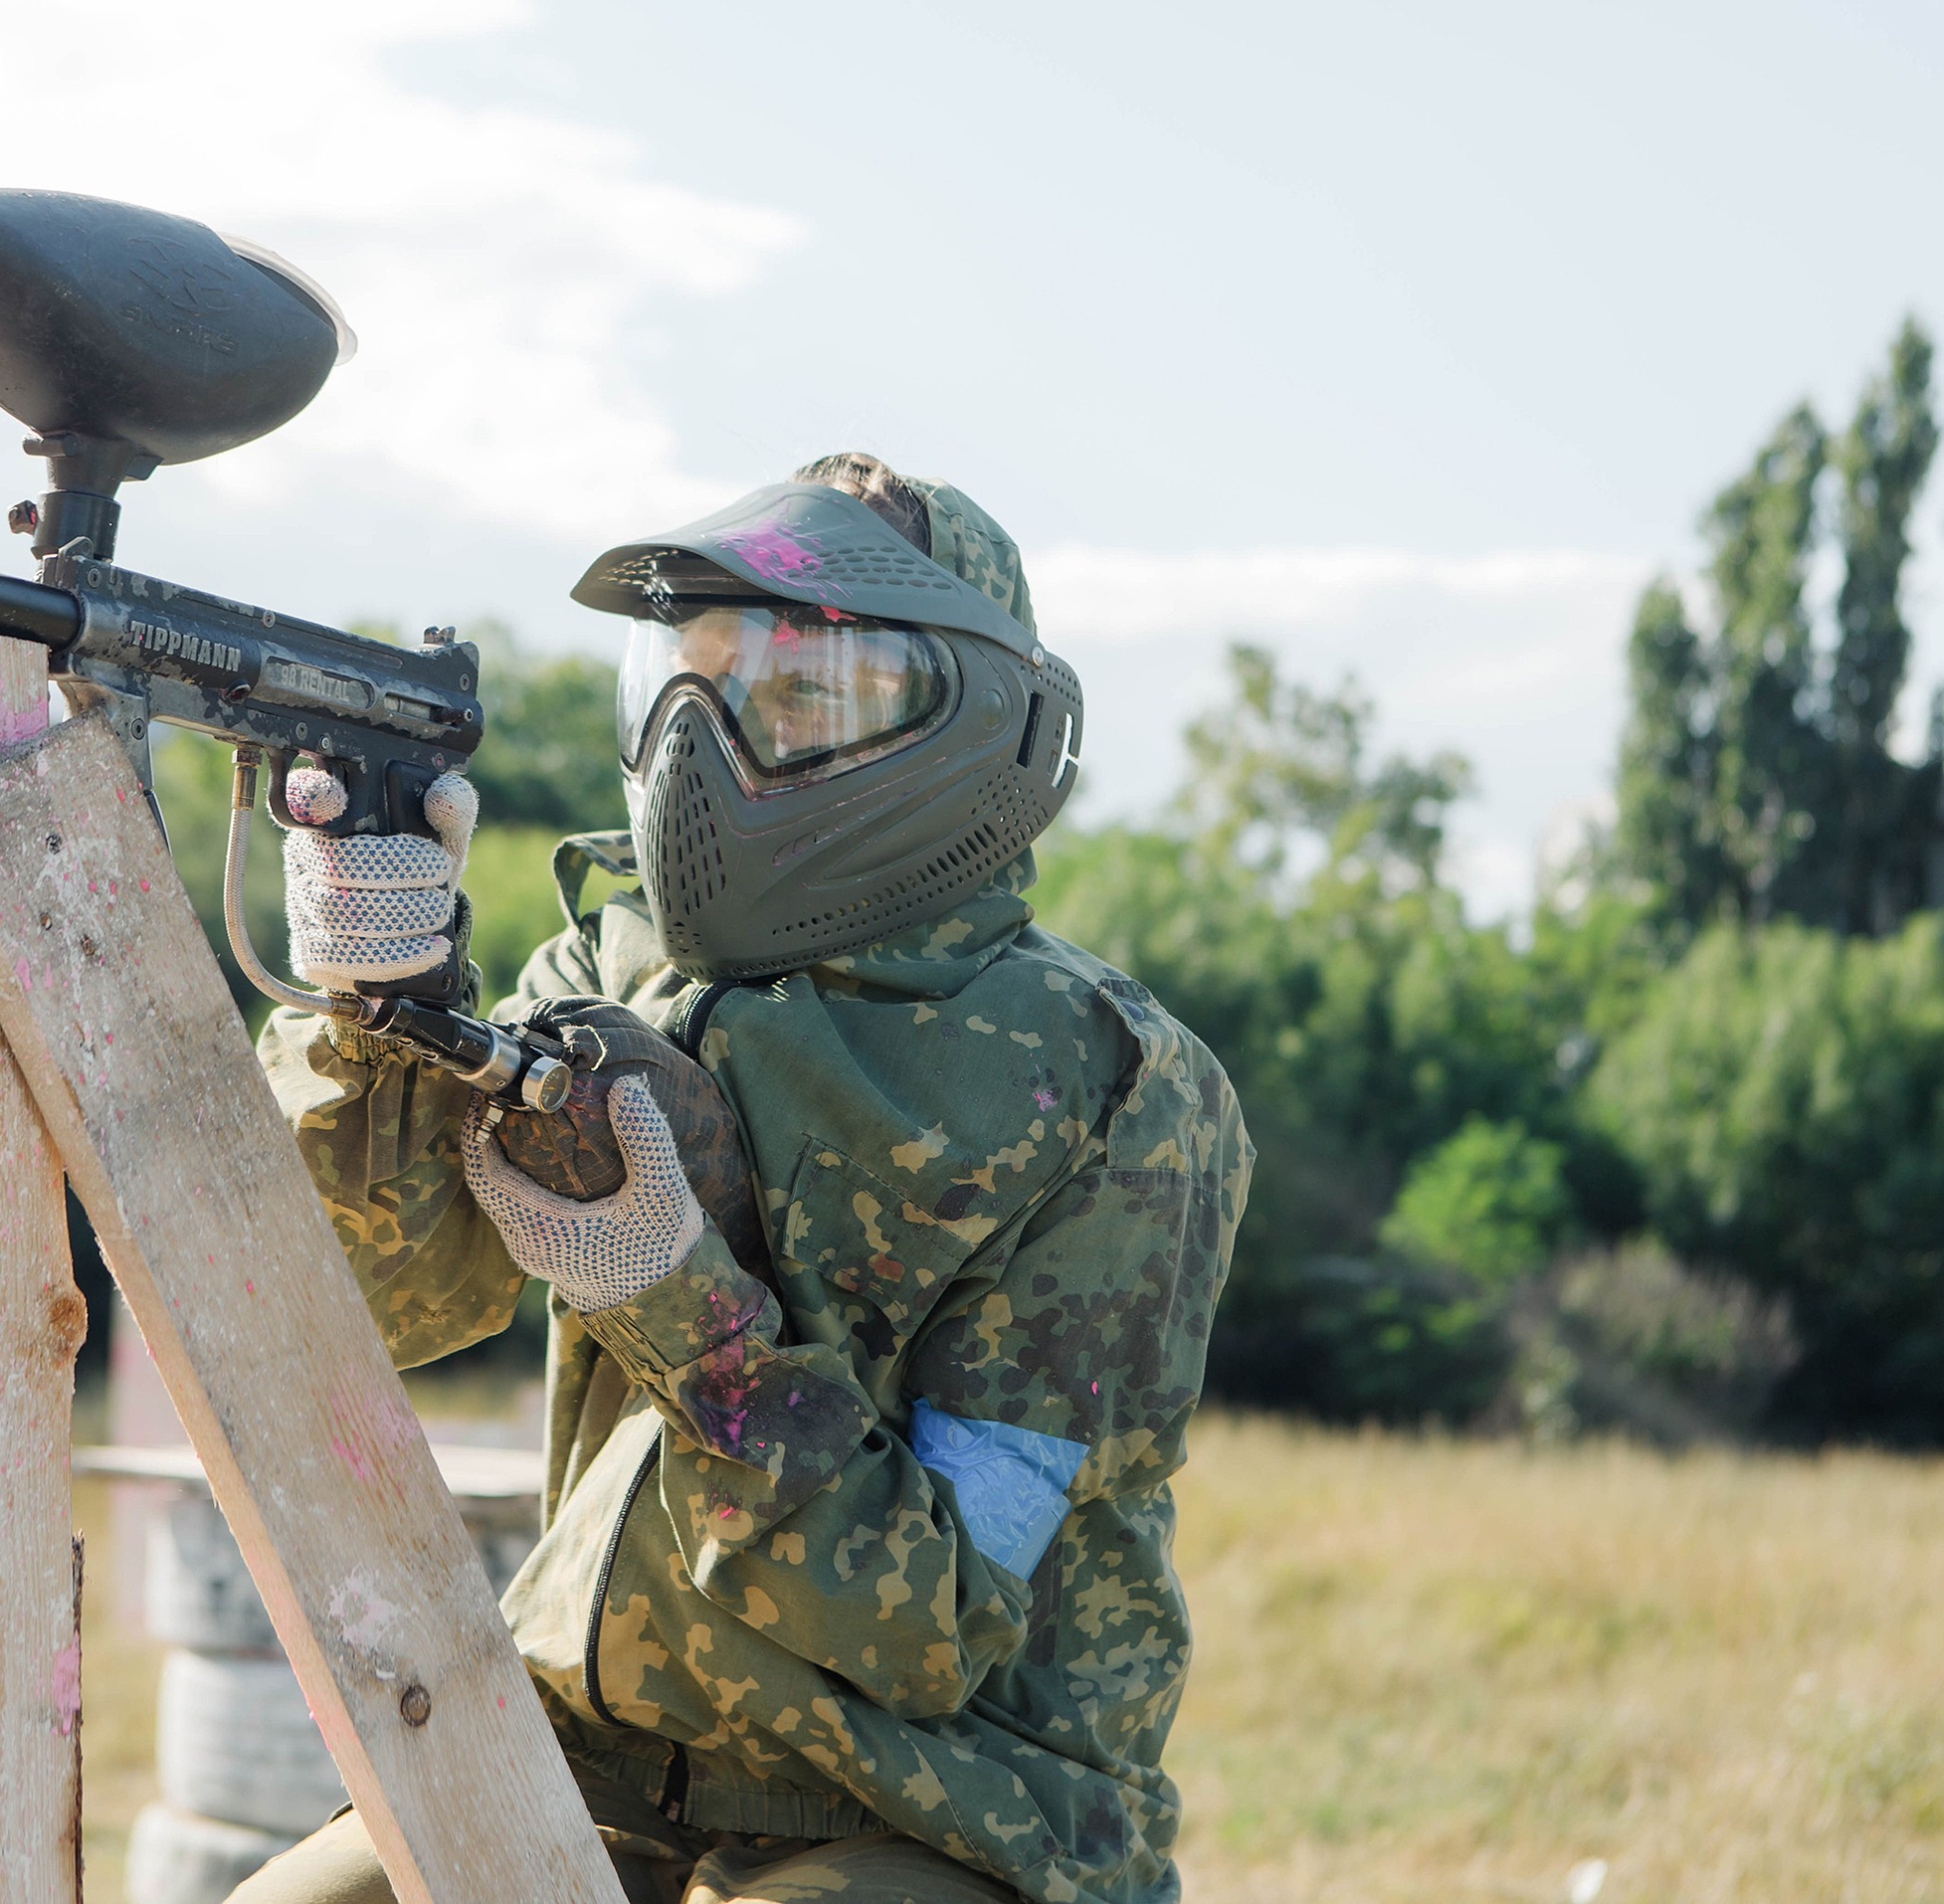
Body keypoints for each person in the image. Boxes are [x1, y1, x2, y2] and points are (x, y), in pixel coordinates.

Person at [240, 454, 1253, 1904]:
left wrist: (667, 1296)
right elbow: (380, 1304)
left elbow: (932, 1624)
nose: (703, 749)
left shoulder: (1109, 1085)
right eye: (687, 686)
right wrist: (371, 1006)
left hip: (938, 1814)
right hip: (585, 1769)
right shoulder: (615, 969)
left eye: (794, 693)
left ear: (973, 716)